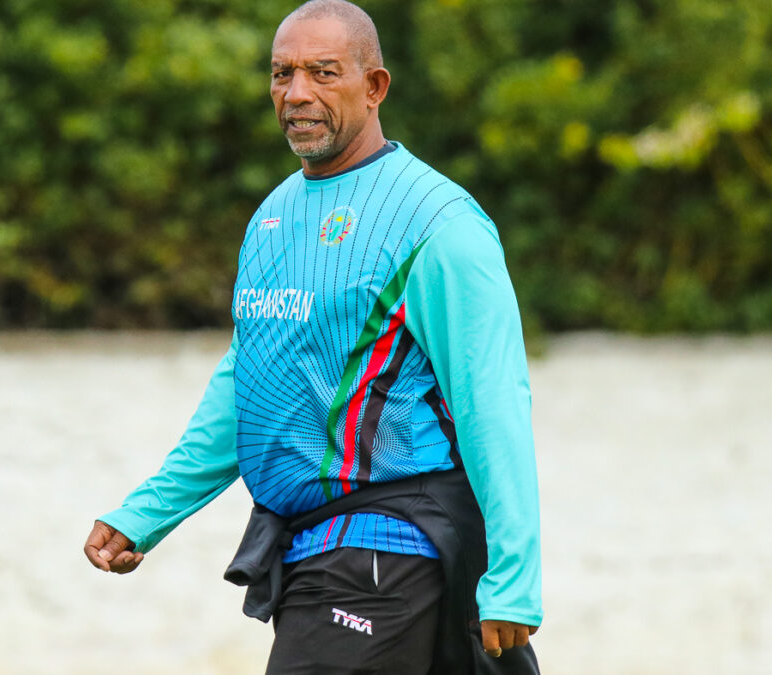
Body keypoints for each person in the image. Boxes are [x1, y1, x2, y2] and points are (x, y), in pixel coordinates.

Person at [84, 1, 543, 672]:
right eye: (282, 74)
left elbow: (492, 401)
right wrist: (148, 511)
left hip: (394, 542)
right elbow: (250, 382)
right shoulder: (272, 216)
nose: (297, 92)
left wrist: (514, 575)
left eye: (323, 72)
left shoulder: (438, 224)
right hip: (317, 547)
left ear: (374, 86)